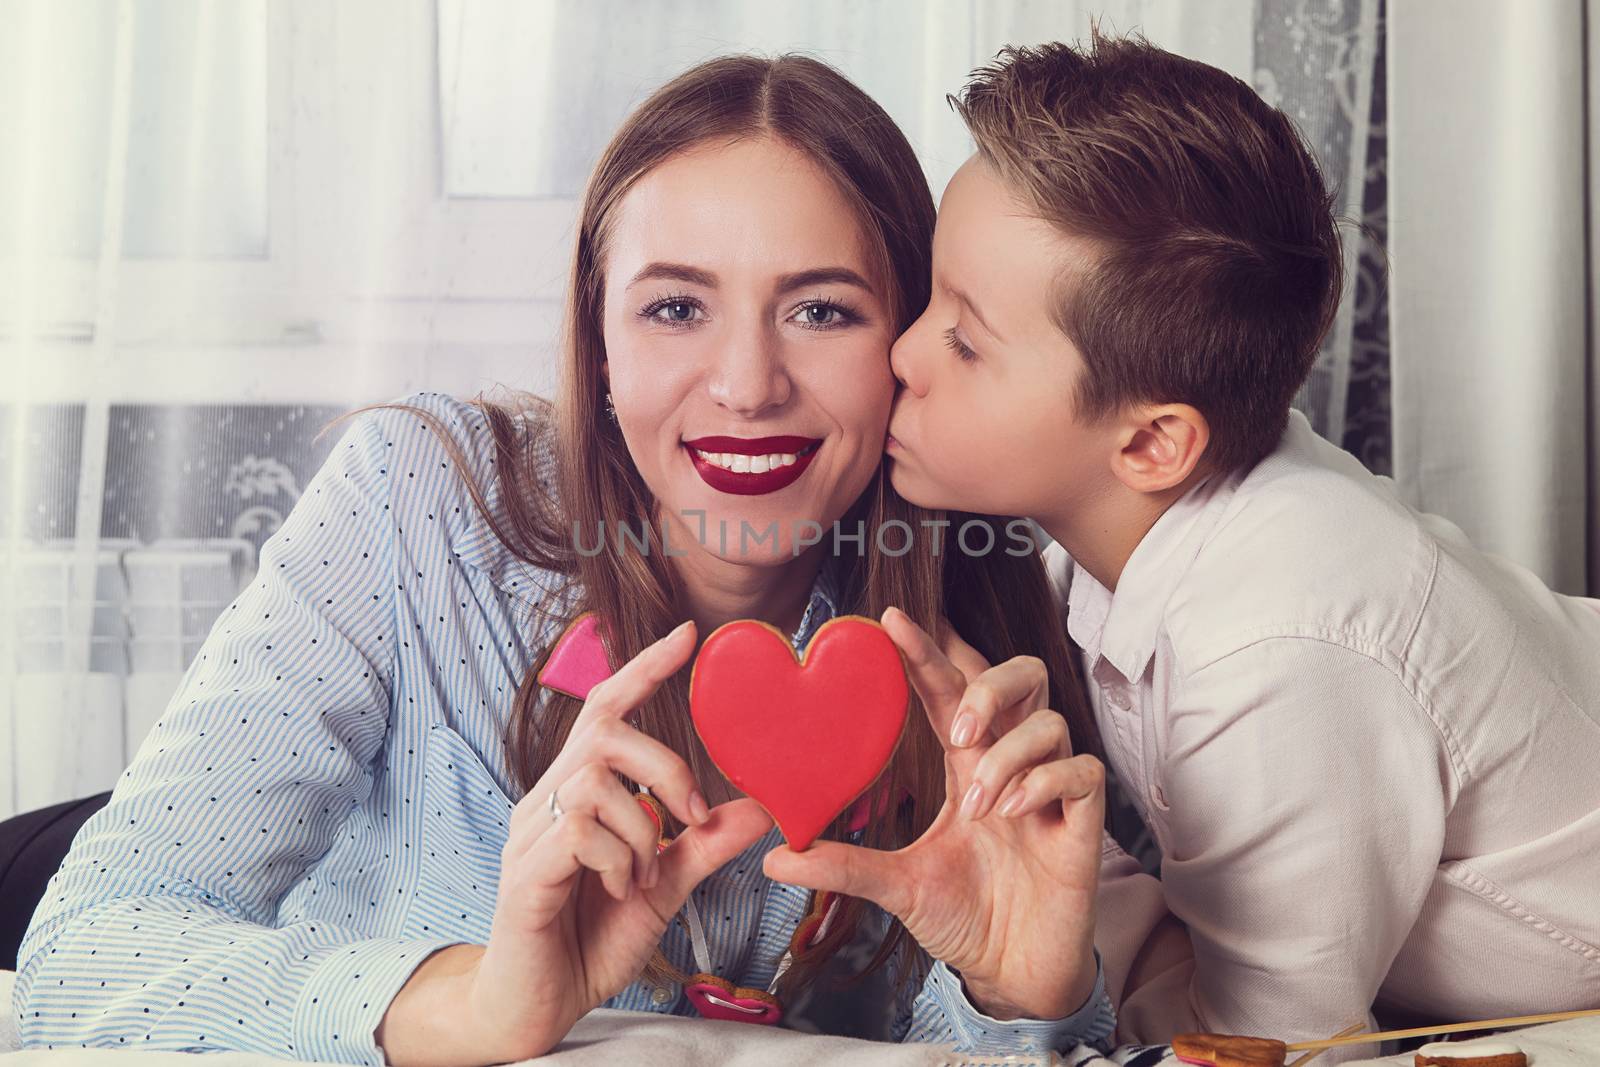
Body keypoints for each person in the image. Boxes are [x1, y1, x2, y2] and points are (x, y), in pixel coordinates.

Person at [11, 54, 1127, 1066]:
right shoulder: (415, 499)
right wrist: (477, 1005)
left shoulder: (971, 595)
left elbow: (959, 1037)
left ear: (905, 350)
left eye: (822, 310)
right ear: (596, 348)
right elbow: (81, 960)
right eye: (675, 306)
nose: (746, 382)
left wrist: (1015, 988)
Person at [872, 27, 1600, 1060]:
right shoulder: (1122, 526)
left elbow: (1275, 1046)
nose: (901, 351)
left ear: (1153, 440)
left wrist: (1075, 915)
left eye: (963, 338)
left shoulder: (1275, 642)